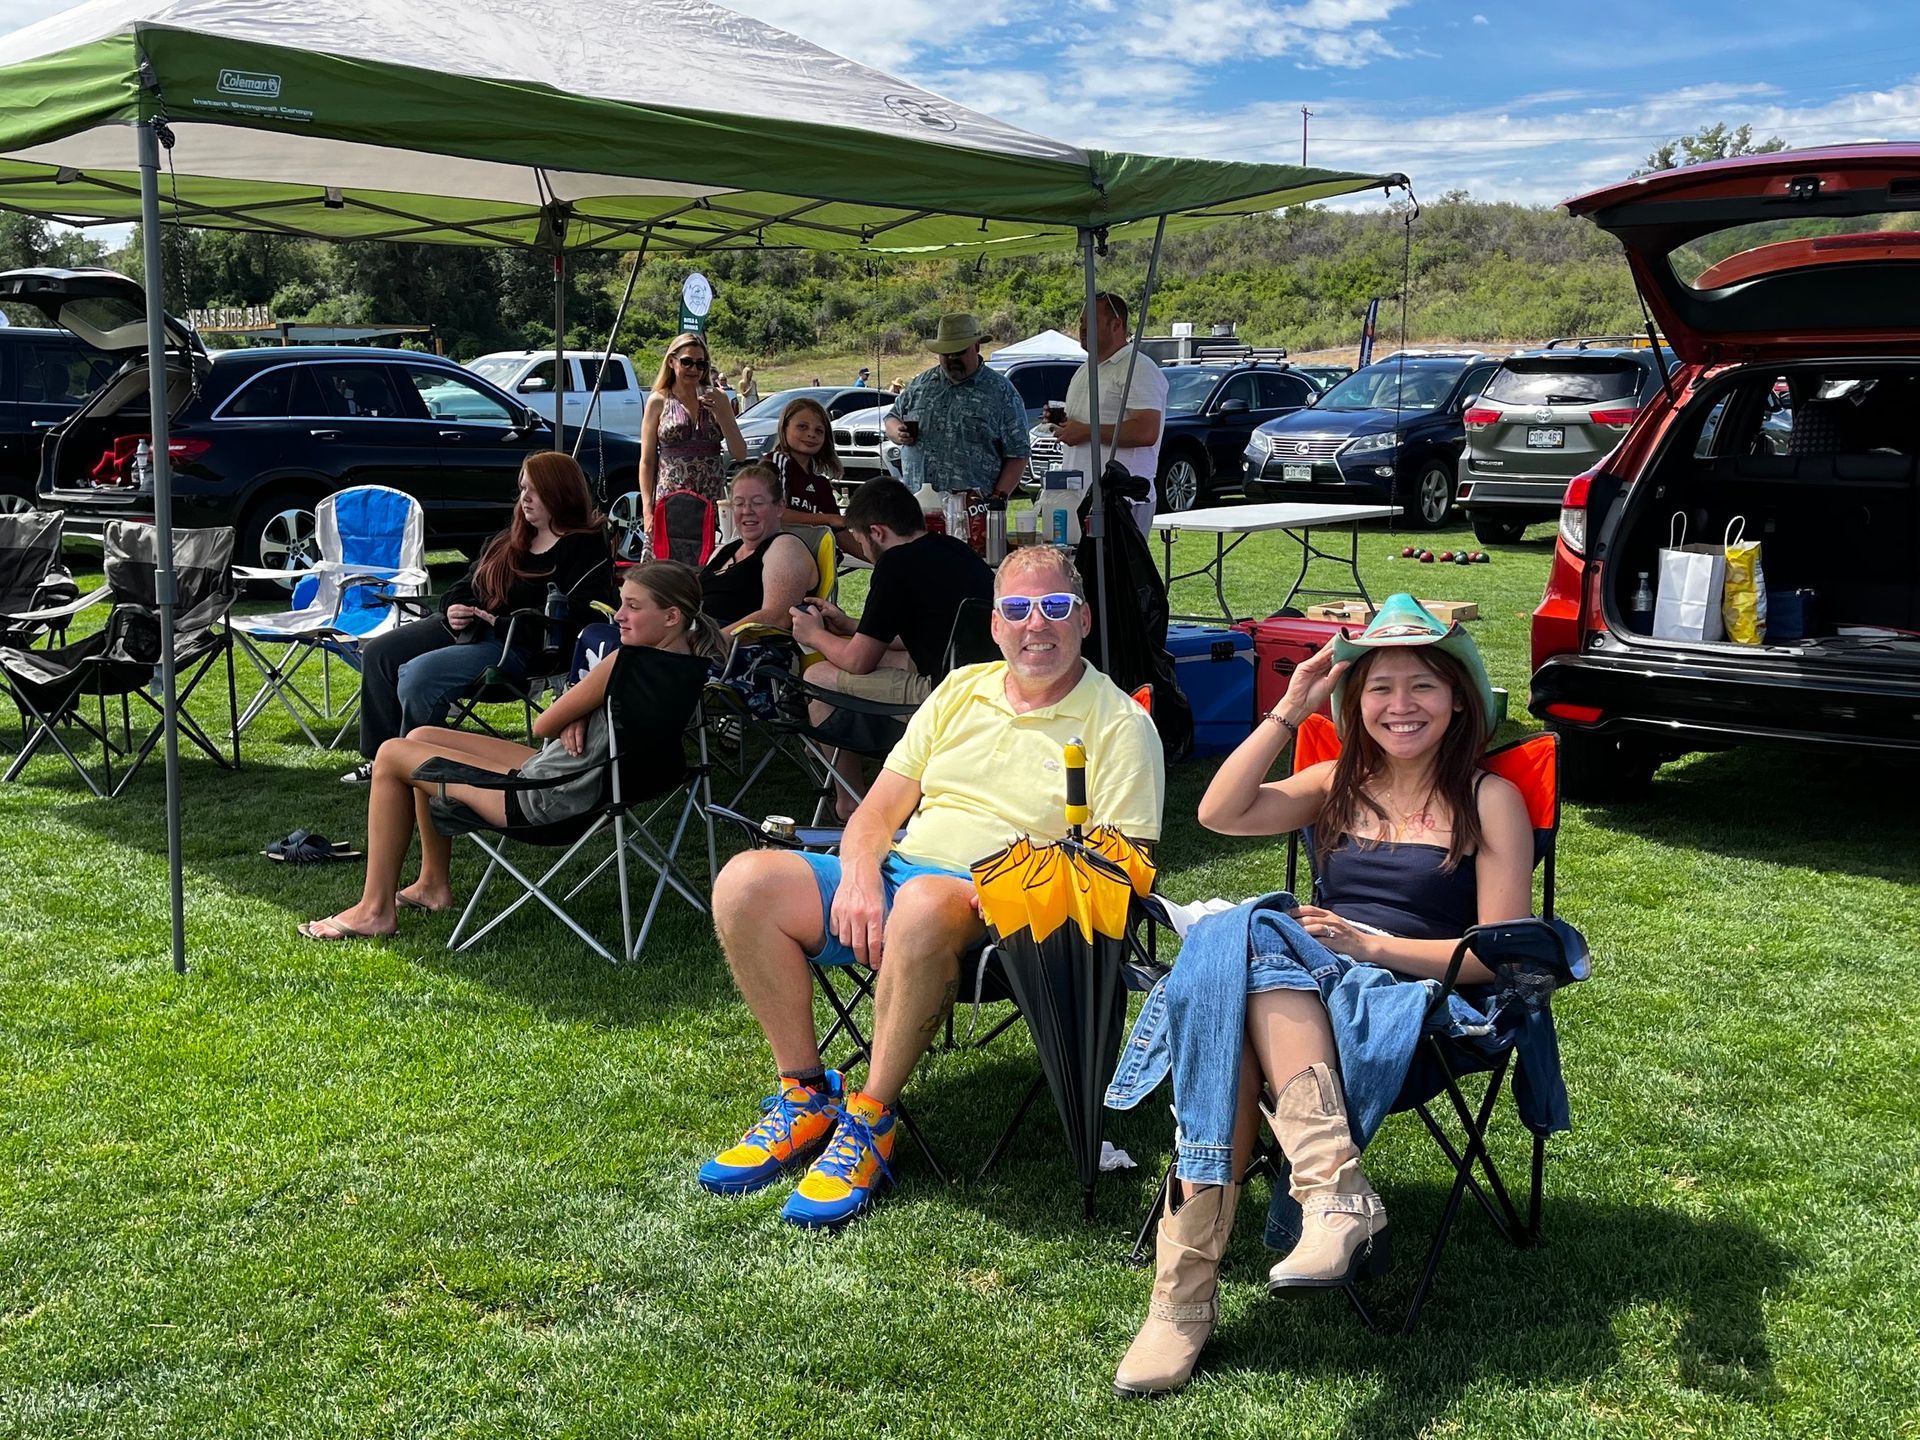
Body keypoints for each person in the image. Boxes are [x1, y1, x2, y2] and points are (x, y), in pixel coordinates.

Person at [1108, 595, 1531, 1399]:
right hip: (1306, 992)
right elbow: (1218, 812)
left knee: (1243, 951)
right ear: (1355, 702)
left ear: (1459, 698)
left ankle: (1182, 1301)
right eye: (1380, 688)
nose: (1401, 705)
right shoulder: (1337, 780)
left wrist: (1368, 946)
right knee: (1250, 967)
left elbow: (1494, 955)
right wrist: (1290, 708)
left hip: (1416, 1005)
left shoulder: (1489, 799)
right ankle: (1331, 1193)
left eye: (1423, 685)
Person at [699, 544, 1165, 1228]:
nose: (1036, 624)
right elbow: (876, 813)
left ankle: (871, 1117)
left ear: (1085, 619)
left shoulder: (1120, 724)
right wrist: (860, 876)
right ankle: (804, 1093)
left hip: (1005, 911)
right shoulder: (960, 690)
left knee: (920, 903)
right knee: (746, 882)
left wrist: (1015, 884)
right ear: (996, 625)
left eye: (1055, 606)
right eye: (1017, 609)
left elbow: (1123, 866)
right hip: (900, 874)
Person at [299, 562, 723, 941]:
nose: (618, 615)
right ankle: (431, 884)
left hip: (547, 797)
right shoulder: (687, 665)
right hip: (588, 779)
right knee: (424, 735)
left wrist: (574, 710)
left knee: (393, 753)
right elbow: (589, 715)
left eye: (633, 606)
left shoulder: (625, 662)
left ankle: (374, 909)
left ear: (671, 616)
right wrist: (581, 710)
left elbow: (544, 724)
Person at [344, 452, 612, 785]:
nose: (525, 498)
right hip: (466, 627)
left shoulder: (584, 549)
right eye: (522, 489)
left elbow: (578, 617)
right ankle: (382, 757)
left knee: (419, 676)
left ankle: (414, 766)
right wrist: (455, 606)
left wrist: (500, 622)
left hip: (513, 644)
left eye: (535, 490)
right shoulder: (511, 539)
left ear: (560, 492)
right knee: (379, 653)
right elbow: (465, 584)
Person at [789, 478, 994, 817]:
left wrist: (814, 635)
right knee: (890, 655)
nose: (863, 550)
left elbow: (858, 661)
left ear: (877, 532)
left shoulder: (894, 565)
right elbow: (923, 632)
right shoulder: (954, 549)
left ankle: (849, 801)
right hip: (985, 684)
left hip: (944, 696)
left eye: (860, 541)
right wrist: (850, 625)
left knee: (817, 676)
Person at [883, 314, 1030, 550]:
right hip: (918, 513)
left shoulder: (1001, 392)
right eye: (946, 354)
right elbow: (892, 417)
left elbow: (1018, 453)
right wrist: (897, 432)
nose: (952, 359)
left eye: (959, 352)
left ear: (976, 347)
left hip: (971, 518)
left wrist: (997, 500)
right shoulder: (921, 384)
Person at [1054, 292, 1168, 535]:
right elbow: (1088, 424)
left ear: (1116, 325)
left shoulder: (1137, 367)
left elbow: (1146, 431)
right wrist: (1065, 424)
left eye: (1091, 321)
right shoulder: (1086, 369)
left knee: (1116, 563)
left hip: (1122, 502)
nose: (1082, 328)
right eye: (1081, 321)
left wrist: (1087, 432)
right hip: (1081, 498)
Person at [639, 332, 747, 528]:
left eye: (701, 364)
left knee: (711, 546)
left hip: (710, 497)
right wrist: (647, 511)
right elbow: (647, 461)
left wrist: (720, 414)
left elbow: (740, 453)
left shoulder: (718, 398)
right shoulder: (658, 400)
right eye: (687, 362)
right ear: (671, 361)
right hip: (671, 497)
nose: (694, 369)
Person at [699, 463, 821, 631]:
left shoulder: (785, 547)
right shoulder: (724, 550)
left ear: (779, 507)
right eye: (739, 504)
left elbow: (777, 617)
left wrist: (712, 641)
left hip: (736, 643)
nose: (747, 511)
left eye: (757, 503)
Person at [768, 396, 846, 530]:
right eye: (802, 427)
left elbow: (839, 529)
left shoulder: (821, 482)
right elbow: (772, 514)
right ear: (784, 428)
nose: (811, 434)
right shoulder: (776, 463)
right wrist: (827, 519)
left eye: (819, 431)